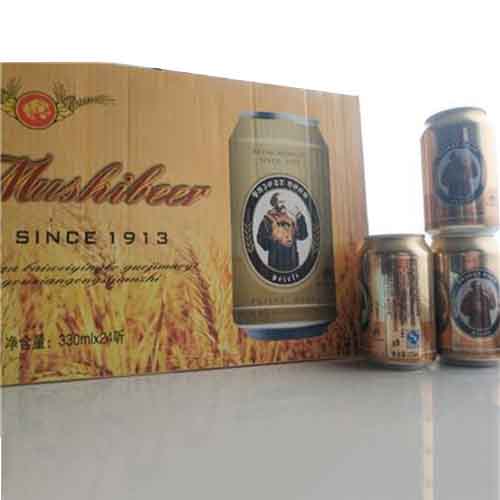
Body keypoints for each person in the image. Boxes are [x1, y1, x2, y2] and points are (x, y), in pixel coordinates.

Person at [257, 192, 308, 271]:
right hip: (276, 262)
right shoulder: (267, 220)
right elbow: (262, 243)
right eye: (280, 202)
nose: (283, 204)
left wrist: (299, 216)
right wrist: (274, 238)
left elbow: (303, 236)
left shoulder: (291, 218)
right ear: (274, 203)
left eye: (284, 201)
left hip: (292, 262)